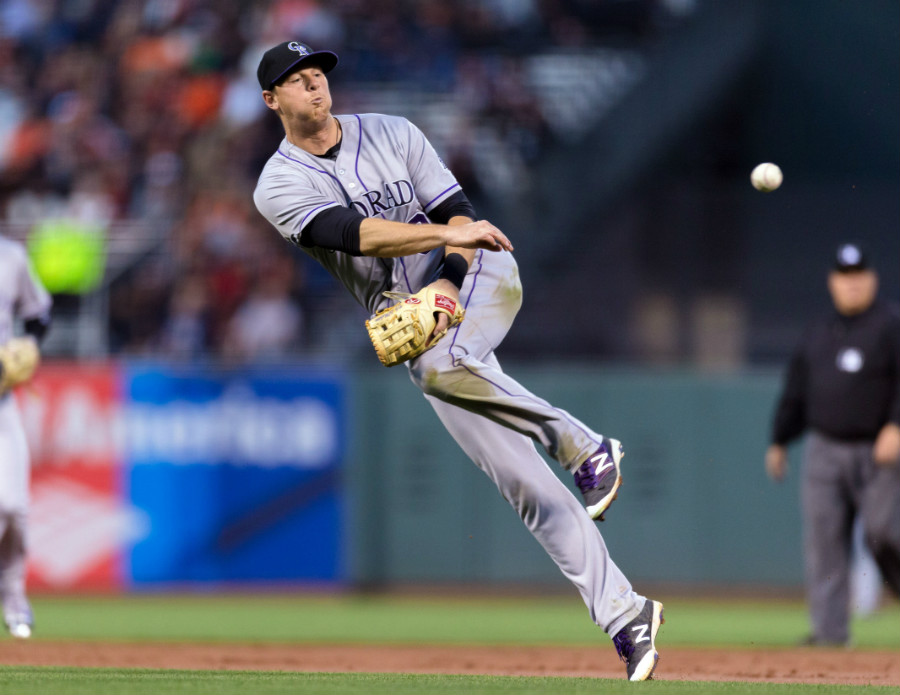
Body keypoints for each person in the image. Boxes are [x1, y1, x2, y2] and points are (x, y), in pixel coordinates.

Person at [252, 41, 664, 681]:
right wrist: (443, 253)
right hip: (417, 319)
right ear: (272, 100)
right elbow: (351, 234)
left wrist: (449, 269)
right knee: (522, 483)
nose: (314, 87)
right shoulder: (277, 184)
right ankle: (626, 615)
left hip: (479, 273)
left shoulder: (393, 132)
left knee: (438, 368)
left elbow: (462, 217)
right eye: (296, 81)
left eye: (317, 76)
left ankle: (582, 445)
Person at [765, 241, 900, 646]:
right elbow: (797, 390)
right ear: (832, 283)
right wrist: (779, 439)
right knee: (824, 543)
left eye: (859, 276)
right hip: (824, 449)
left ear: (872, 279)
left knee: (884, 532)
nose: (852, 285)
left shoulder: (892, 325)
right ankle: (829, 635)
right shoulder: (819, 331)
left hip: (878, 450)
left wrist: (896, 425)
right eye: (845, 277)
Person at [0, 232, 52, 639]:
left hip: (2, 404)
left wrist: (29, 345)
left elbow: (39, 314)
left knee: (13, 506)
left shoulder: (10, 256)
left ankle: (14, 594)